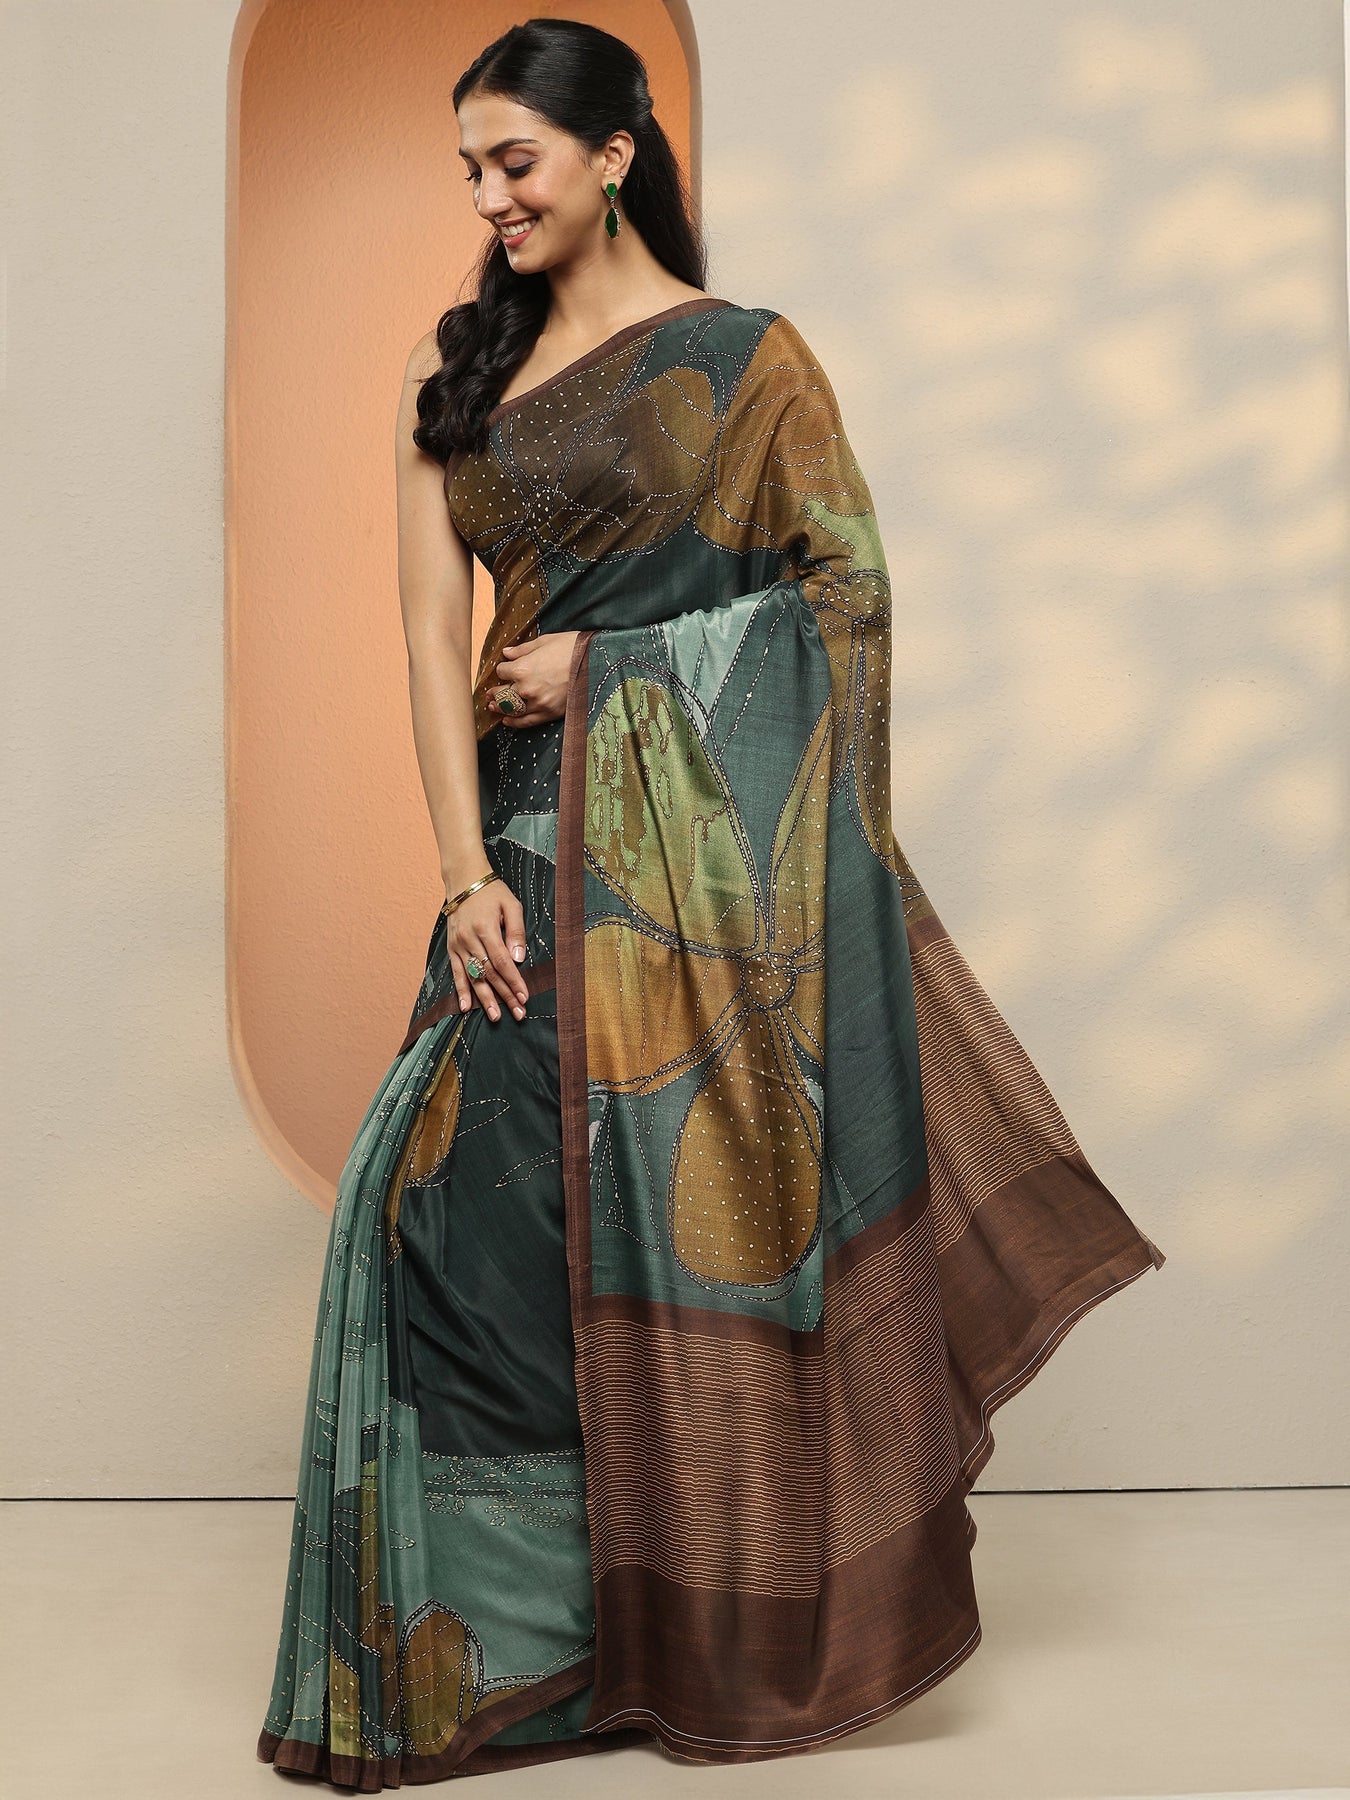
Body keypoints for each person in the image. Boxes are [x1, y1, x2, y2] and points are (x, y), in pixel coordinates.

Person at [256, 16, 1166, 1789]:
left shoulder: (748, 362)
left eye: (514, 160)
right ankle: (514, 1656)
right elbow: (427, 642)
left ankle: (677, 1639)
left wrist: (608, 665)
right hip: (525, 864)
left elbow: (847, 601)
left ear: (613, 154)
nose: (488, 195)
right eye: (469, 169)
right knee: (446, 1222)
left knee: (683, 1250)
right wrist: (459, 875)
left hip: (698, 898)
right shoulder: (454, 374)